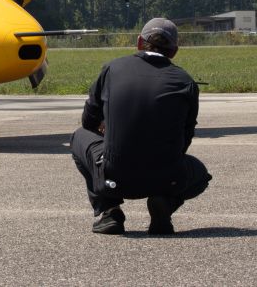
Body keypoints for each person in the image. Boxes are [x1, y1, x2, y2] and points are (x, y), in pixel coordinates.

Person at [71, 18, 211, 235]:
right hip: (166, 177)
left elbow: (88, 122)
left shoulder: (112, 69)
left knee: (79, 137)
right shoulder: (185, 81)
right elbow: (186, 137)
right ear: (174, 51)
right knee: (200, 173)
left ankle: (109, 210)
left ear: (139, 42)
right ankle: (164, 201)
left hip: (115, 175)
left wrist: (107, 129)